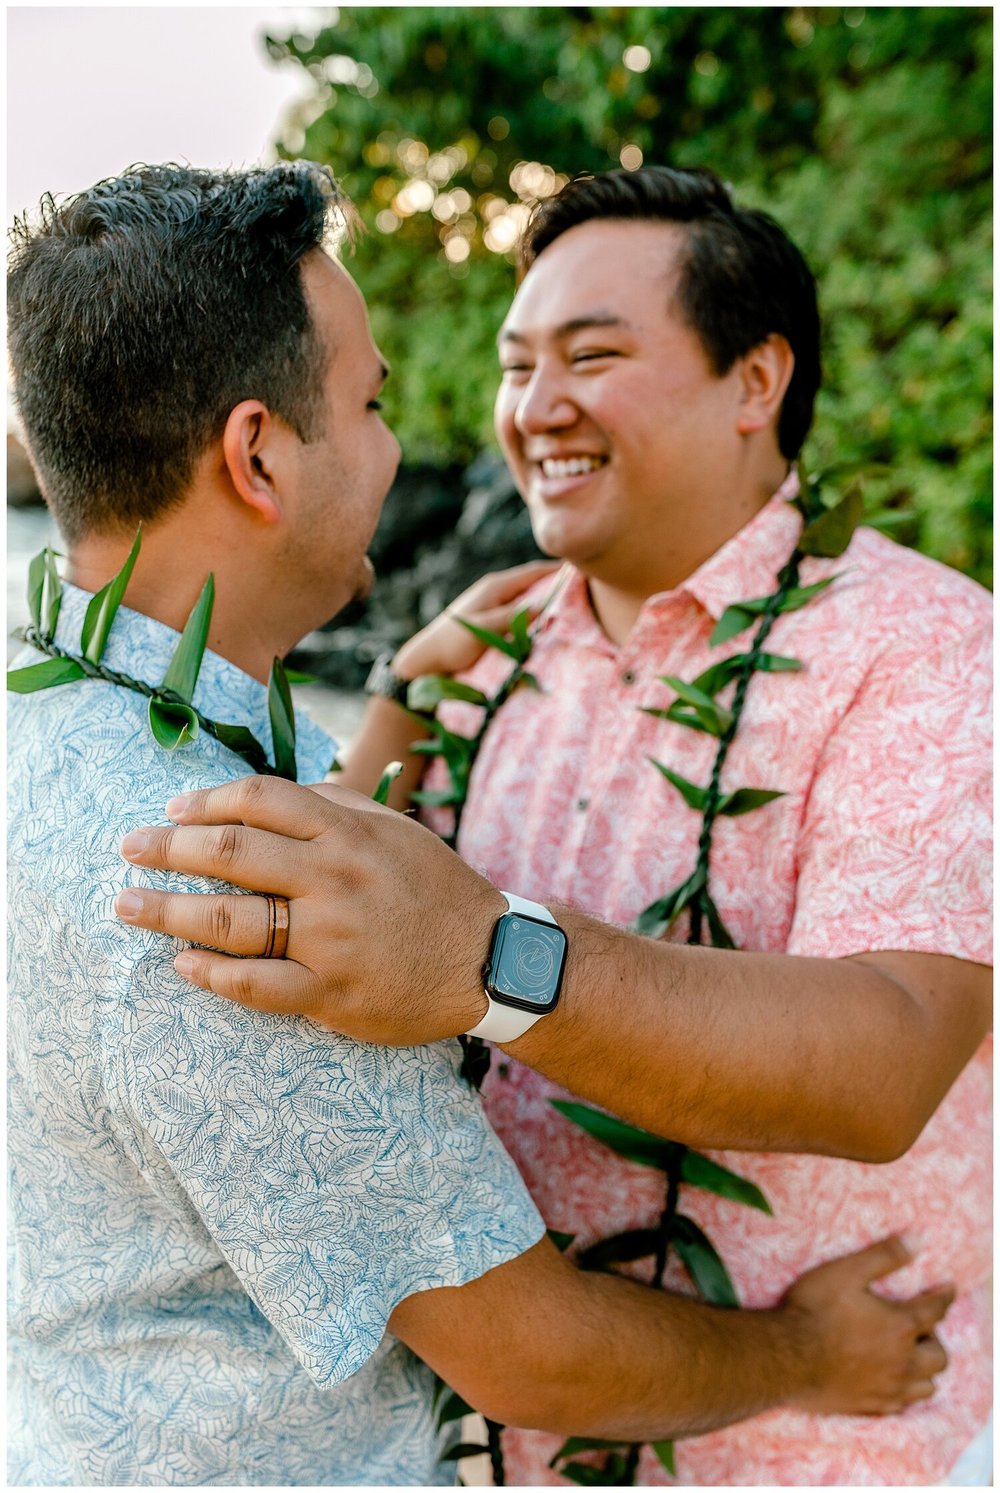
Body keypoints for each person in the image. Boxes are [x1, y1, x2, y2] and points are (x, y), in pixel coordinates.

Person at [5, 162, 950, 1487]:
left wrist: (397, 700)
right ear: (261, 454)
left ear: (758, 381)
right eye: (379, 401)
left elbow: (896, 1054)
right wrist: (803, 1351)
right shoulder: (230, 875)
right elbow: (525, 1346)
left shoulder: (50, 727)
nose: (520, 410)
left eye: (595, 352)